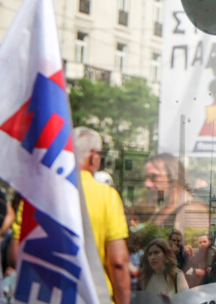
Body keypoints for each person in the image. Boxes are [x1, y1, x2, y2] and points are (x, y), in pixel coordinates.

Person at [74, 127, 130, 304]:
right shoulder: (107, 196)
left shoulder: (38, 194)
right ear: (93, 157)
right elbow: (118, 262)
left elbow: (15, 254)